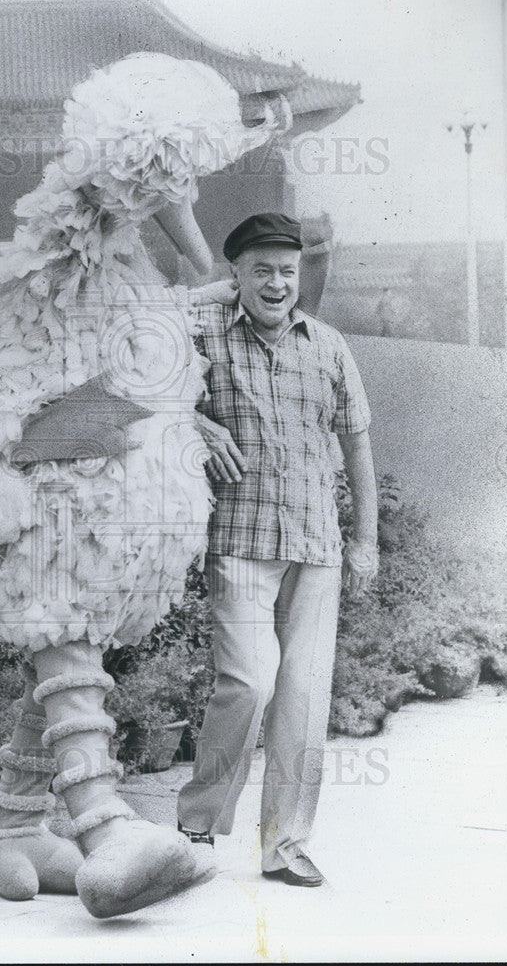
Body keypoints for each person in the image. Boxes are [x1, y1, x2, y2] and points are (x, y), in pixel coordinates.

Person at [177, 212, 379, 887]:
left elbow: (356, 443)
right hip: (237, 541)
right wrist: (194, 423)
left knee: (301, 698)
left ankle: (284, 846)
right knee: (249, 681)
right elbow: (135, 373)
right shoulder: (199, 331)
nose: (275, 283)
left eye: (285, 272)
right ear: (234, 273)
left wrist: (365, 538)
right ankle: (199, 818)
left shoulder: (327, 346)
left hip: (316, 544)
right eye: (259, 269)